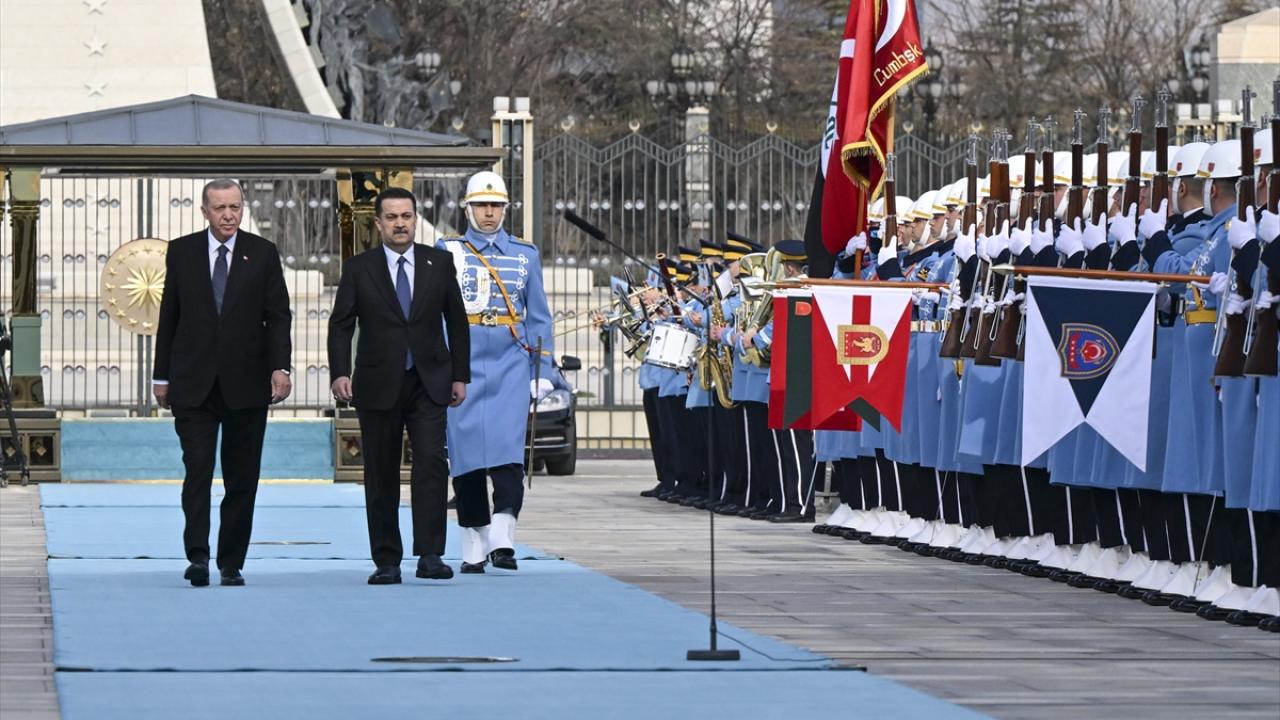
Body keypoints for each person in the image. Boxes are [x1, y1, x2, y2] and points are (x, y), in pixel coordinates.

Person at [328, 187, 471, 585]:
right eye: (391, 217)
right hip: (377, 383)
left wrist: (460, 375)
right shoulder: (359, 268)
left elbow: (457, 322)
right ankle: (387, 559)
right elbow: (341, 325)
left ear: (415, 219)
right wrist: (340, 373)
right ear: (378, 223)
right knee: (381, 472)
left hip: (429, 382)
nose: (400, 223)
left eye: (406, 216)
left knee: (431, 465)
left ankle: (430, 555)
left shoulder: (439, 263)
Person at [153, 178, 292, 588]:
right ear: (205, 211)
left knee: (242, 478)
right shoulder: (182, 252)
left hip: (246, 384)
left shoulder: (262, 253)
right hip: (192, 384)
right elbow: (169, 317)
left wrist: (280, 368)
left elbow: (278, 316)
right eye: (220, 208)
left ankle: (231, 562)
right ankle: (197, 556)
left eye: (235, 207)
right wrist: (162, 376)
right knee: (197, 471)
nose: (229, 215)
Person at [438, 171, 555, 573]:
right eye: (481, 205)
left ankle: (504, 538)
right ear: (467, 209)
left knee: (508, 453)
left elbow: (538, 316)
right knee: (466, 456)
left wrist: (543, 369)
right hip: (463, 365)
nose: (489, 213)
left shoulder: (525, 255)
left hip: (510, 363)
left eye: (496, 206)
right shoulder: (447, 251)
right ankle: (474, 542)